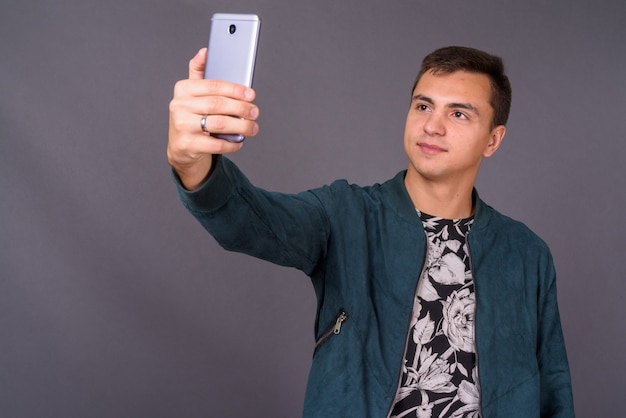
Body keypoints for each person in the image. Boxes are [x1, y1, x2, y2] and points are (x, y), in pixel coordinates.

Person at [167, 46, 575, 417]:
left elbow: (553, 391)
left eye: (458, 113)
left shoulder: (526, 253)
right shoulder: (345, 214)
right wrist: (193, 164)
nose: (432, 126)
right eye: (423, 106)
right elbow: (247, 221)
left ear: (493, 139)